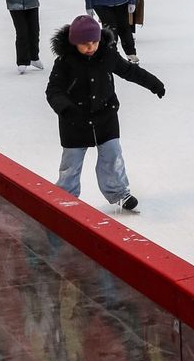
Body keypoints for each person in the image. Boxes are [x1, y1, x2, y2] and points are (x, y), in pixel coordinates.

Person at [47, 14, 165, 213]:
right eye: (84, 44)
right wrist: (66, 109)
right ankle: (65, 197)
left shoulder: (107, 54)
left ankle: (119, 193)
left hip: (105, 117)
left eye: (94, 41)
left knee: (112, 156)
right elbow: (53, 91)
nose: (91, 47)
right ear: (74, 42)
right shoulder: (65, 62)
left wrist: (153, 83)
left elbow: (129, 71)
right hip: (75, 121)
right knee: (71, 163)